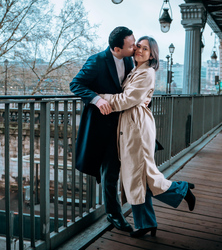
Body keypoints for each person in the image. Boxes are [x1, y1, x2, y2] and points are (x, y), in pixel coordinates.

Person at [99, 36, 196, 238]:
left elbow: (126, 100)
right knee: (138, 178)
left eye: (145, 49)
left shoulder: (147, 73)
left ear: (152, 54)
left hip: (137, 128)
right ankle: (146, 223)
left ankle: (181, 189)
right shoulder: (135, 70)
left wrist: (100, 97)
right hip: (130, 125)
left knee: (142, 176)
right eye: (138, 47)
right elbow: (131, 98)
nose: (140, 51)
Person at [69, 26, 136, 232]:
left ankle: (121, 210)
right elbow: (75, 84)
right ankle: (114, 215)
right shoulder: (97, 61)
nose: (135, 47)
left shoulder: (128, 59)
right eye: (131, 44)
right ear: (117, 48)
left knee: (123, 168)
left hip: (123, 124)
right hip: (102, 127)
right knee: (110, 171)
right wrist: (97, 100)